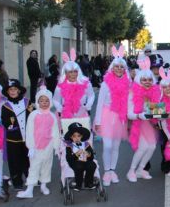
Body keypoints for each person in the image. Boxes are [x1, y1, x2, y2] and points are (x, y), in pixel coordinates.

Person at [93, 45, 131, 186]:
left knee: (116, 146)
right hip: (106, 116)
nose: (119, 69)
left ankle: (112, 171)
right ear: (112, 68)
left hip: (120, 117)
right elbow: (99, 104)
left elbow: (129, 101)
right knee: (107, 145)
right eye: (117, 67)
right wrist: (97, 122)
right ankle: (106, 171)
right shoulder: (105, 84)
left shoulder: (128, 83)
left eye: (122, 67)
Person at [17, 88, 61, 198]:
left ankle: (44, 185)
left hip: (48, 145)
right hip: (35, 146)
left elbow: (55, 132)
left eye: (47, 101)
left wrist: (56, 146)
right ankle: (29, 189)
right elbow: (29, 131)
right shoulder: (33, 115)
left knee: (47, 165)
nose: (44, 103)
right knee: (34, 166)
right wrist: (31, 146)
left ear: (50, 102)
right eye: (41, 101)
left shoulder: (52, 116)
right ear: (37, 101)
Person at [126, 57, 161, 182]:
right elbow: (129, 114)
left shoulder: (155, 92)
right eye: (144, 79)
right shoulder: (133, 93)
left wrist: (158, 114)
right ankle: (131, 171)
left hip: (149, 124)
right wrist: (139, 115)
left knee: (152, 147)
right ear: (139, 80)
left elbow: (157, 110)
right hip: (137, 124)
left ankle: (140, 170)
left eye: (150, 79)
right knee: (143, 147)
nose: (147, 82)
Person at [1, 79, 33, 191]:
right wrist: (10, 126)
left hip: (27, 137)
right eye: (10, 90)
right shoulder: (5, 106)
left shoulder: (27, 102)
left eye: (15, 89)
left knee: (28, 159)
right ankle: (17, 181)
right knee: (14, 161)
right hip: (13, 139)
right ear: (7, 92)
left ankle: (31, 178)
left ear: (19, 90)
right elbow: (5, 121)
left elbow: (32, 116)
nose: (13, 91)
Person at [53, 49, 95, 121]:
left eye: (75, 71)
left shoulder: (86, 83)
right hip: (65, 117)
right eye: (70, 72)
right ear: (65, 73)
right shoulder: (60, 86)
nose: (73, 74)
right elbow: (55, 100)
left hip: (82, 116)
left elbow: (91, 95)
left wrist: (88, 105)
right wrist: (59, 108)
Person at [64, 122, 97, 190]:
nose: (77, 138)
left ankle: (88, 183)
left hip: (86, 161)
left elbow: (91, 156)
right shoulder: (69, 146)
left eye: (78, 136)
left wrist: (88, 154)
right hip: (74, 162)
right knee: (79, 167)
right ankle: (78, 184)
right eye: (74, 136)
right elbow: (68, 158)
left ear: (81, 136)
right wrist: (76, 154)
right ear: (71, 137)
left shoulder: (86, 144)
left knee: (92, 165)